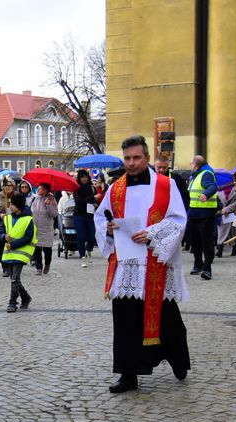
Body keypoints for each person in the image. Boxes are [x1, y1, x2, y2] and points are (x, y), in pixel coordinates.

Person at [94, 135, 190, 393]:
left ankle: (178, 360)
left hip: (156, 260)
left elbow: (178, 220)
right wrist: (111, 229)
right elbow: (100, 219)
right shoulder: (115, 188)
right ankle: (128, 375)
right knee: (124, 319)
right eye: (127, 158)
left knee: (167, 319)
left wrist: (153, 233)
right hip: (126, 264)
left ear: (147, 158)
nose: (131, 163)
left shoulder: (165, 185)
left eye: (136, 157)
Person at [0, 192, 35, 312]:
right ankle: (25, 297)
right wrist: (4, 237)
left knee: (15, 278)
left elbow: (28, 237)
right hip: (9, 253)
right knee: (14, 279)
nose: (10, 206)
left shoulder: (28, 220)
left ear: (18, 205)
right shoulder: (7, 219)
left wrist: (13, 244)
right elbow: (1, 232)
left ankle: (12, 302)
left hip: (20, 253)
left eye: (12, 204)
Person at [186, 155, 219, 279]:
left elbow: (212, 187)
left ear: (196, 164)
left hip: (205, 214)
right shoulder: (195, 176)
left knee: (206, 242)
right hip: (194, 213)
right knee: (195, 242)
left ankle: (207, 268)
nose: (190, 165)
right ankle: (198, 264)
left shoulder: (206, 173)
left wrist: (206, 194)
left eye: (191, 163)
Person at [30, 182, 59, 274]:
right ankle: (39, 268)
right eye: (38, 188)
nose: (38, 190)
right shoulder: (35, 198)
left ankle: (47, 264)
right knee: (37, 249)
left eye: (41, 189)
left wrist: (48, 205)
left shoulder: (51, 199)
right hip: (36, 228)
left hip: (47, 229)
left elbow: (54, 214)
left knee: (47, 250)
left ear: (46, 190)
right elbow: (31, 211)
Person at [73, 169, 96, 267]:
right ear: (79, 178)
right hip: (79, 215)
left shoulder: (92, 188)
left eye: (86, 176)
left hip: (90, 215)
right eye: (82, 177)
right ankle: (82, 257)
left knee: (91, 237)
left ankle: (89, 250)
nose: (84, 179)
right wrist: (92, 198)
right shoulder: (76, 188)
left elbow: (95, 201)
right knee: (81, 237)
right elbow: (79, 201)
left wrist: (95, 203)